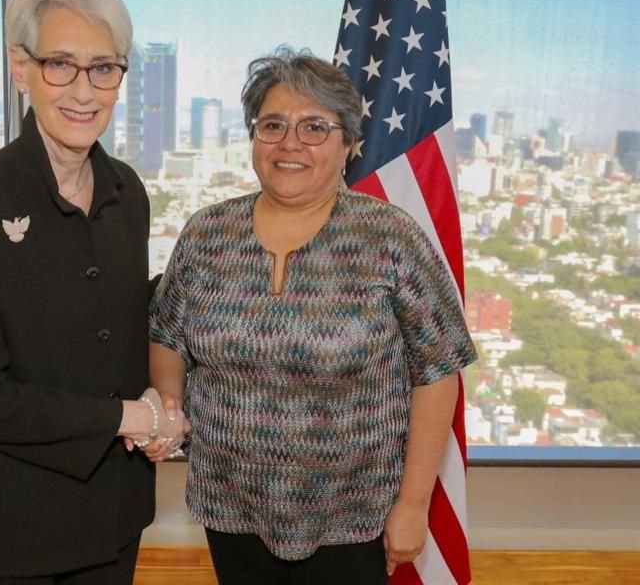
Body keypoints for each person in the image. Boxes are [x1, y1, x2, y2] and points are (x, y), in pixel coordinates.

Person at [147, 47, 478, 585]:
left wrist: (414, 505)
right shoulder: (207, 232)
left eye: (315, 127)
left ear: (348, 144)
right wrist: (169, 407)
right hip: (229, 505)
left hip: (355, 514)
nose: (290, 143)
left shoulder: (391, 237)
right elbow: (166, 335)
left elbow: (439, 372)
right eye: (273, 125)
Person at [0, 0, 180, 585]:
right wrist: (128, 418)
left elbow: (123, 328)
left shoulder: (128, 192)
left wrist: (160, 397)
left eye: (103, 68)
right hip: (9, 529)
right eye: (61, 65)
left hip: (113, 515)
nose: (84, 91)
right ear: (22, 70)